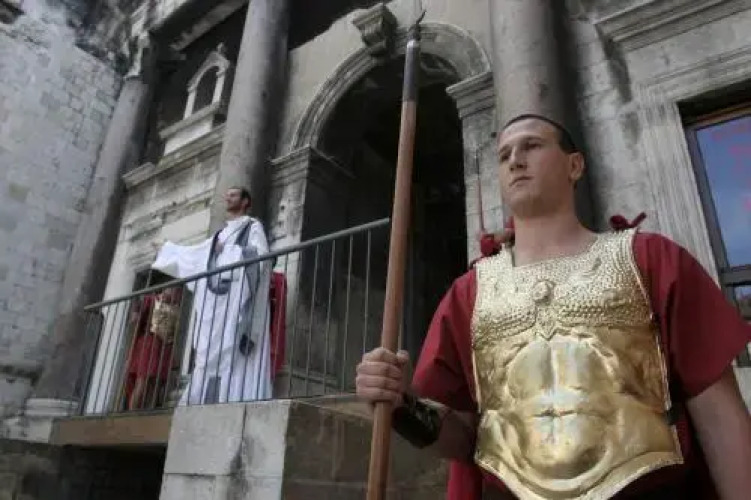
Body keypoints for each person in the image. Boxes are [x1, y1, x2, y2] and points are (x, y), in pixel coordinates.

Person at [356, 115, 751, 499]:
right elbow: (465, 440)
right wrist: (401, 404)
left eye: (531, 145)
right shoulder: (469, 293)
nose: (515, 160)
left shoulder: (650, 260)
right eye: (504, 155)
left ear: (574, 165)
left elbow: (719, 418)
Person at [152, 187, 273, 405]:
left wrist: (227, 252)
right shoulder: (220, 234)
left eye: (233, 195)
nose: (228, 197)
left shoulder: (252, 227)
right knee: (207, 356)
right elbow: (195, 255)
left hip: (237, 303)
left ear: (245, 201)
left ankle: (233, 399)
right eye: (227, 195)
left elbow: (261, 257)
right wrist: (167, 250)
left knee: (232, 354)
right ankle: (202, 400)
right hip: (215, 306)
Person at [124, 286, 181, 410]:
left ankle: (148, 411)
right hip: (148, 343)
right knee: (143, 380)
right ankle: (132, 413)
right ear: (166, 289)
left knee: (156, 382)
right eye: (174, 291)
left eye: (178, 293)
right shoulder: (151, 300)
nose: (176, 295)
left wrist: (173, 356)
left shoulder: (176, 308)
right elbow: (137, 319)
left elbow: (173, 333)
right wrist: (135, 313)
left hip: (163, 347)